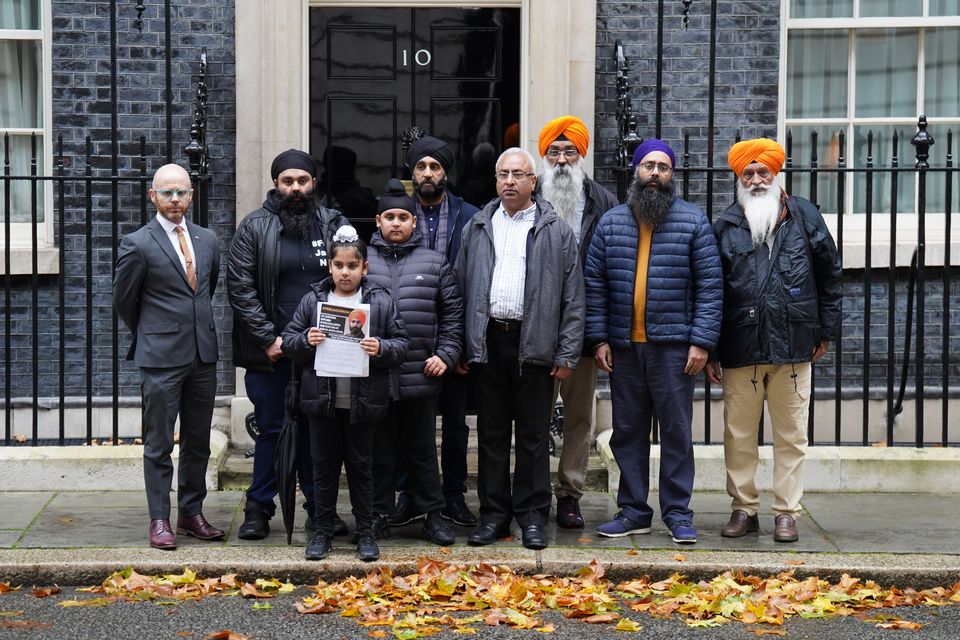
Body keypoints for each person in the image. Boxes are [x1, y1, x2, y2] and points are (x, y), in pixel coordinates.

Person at [585, 139, 722, 545]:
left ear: (672, 175)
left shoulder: (693, 222)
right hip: (624, 348)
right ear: (636, 171)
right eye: (649, 165)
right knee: (628, 430)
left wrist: (701, 342)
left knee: (677, 430)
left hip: (675, 350)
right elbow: (594, 286)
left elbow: (711, 287)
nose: (656, 173)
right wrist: (598, 340)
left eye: (663, 167)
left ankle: (678, 513)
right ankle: (633, 511)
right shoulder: (610, 223)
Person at [706, 138, 842, 543]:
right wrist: (711, 347)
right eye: (747, 173)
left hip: (795, 343)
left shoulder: (805, 216)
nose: (756, 179)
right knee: (738, 435)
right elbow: (712, 290)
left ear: (775, 173)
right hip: (740, 345)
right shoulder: (725, 225)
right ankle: (744, 508)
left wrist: (826, 331)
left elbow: (830, 274)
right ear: (738, 178)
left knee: (791, 434)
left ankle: (786, 512)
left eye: (762, 171)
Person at [457, 147, 584, 550]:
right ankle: (494, 515)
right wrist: (464, 345)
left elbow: (573, 298)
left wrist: (566, 354)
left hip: (536, 344)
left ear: (534, 181)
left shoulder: (556, 230)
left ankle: (532, 517)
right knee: (492, 435)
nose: (509, 181)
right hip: (490, 341)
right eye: (503, 174)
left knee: (532, 437)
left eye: (518, 174)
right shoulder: (477, 226)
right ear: (495, 181)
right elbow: (461, 289)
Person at [227, 149, 349, 541]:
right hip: (272, 352)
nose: (295, 188)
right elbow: (240, 287)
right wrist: (268, 339)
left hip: (322, 351)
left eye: (303, 181)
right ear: (276, 184)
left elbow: (351, 279)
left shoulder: (333, 224)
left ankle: (320, 511)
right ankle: (259, 509)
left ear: (314, 184)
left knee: (318, 433)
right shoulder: (254, 227)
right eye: (287, 181)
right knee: (272, 431)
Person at [113, 163, 224, 550]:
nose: (174, 199)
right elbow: (124, 301)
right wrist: (153, 333)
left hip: (202, 355)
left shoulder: (208, 239)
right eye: (167, 193)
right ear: (153, 196)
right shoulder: (137, 243)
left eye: (181, 192)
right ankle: (159, 519)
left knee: (199, 441)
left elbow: (205, 293)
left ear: (191, 196)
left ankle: (191, 513)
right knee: (159, 443)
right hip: (160, 357)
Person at [281, 226, 408, 562]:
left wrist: (380, 347)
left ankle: (365, 531)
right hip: (322, 403)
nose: (345, 272)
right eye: (339, 265)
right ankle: (322, 531)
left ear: (364, 268)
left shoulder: (378, 301)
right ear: (330, 267)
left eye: (352, 266)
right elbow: (289, 342)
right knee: (323, 468)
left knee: (361, 467)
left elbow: (402, 344)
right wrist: (306, 341)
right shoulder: (314, 300)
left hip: (362, 403)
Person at [388, 135, 481, 529]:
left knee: (456, 423)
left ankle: (454, 496)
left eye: (435, 167)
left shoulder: (472, 216)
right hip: (410, 334)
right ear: (412, 172)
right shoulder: (397, 214)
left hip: (455, 333)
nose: (428, 173)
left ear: (446, 172)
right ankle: (408, 495)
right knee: (408, 422)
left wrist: (460, 345)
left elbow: (479, 280)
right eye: (421, 167)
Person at [367, 179, 463, 546]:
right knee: (379, 451)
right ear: (378, 221)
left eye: (403, 217)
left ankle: (433, 515)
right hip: (375, 374)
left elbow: (453, 316)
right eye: (389, 216)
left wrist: (446, 354)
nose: (396, 223)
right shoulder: (362, 261)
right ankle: (376, 515)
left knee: (423, 450)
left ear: (413, 222)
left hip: (420, 372)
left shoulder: (436, 263)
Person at [536, 115, 618, 529]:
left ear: (581, 155)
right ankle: (533, 494)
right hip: (534, 328)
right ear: (544, 155)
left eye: (570, 151)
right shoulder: (527, 195)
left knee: (580, 418)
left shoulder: (603, 202)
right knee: (533, 415)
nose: (563, 159)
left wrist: (604, 332)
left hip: (584, 328)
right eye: (555, 151)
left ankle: (569, 494)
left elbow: (613, 269)